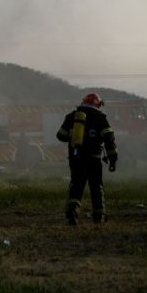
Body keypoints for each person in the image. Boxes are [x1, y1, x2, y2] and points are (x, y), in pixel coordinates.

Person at [56, 93, 118, 225]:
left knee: (76, 184)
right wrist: (113, 159)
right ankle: (99, 217)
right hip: (93, 159)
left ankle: (72, 212)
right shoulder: (100, 118)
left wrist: (73, 134)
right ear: (97, 104)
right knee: (96, 187)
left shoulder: (72, 116)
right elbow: (109, 139)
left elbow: (60, 136)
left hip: (76, 158)